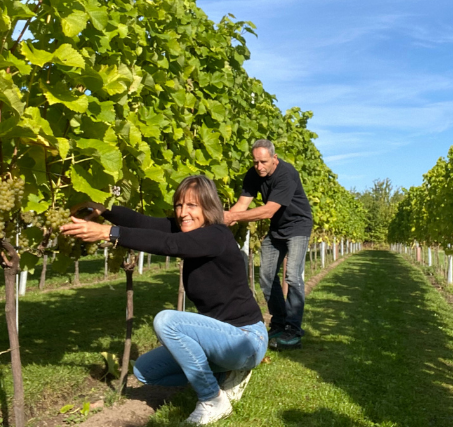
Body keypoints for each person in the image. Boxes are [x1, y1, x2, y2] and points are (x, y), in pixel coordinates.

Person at [61, 175, 267, 426]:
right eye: (179, 205)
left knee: (167, 321)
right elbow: (142, 223)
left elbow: (168, 244)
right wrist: (105, 209)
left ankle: (212, 399)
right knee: (145, 371)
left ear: (208, 206)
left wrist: (109, 233)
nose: (183, 213)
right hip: (219, 340)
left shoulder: (216, 236)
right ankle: (227, 373)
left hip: (245, 339)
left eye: (192, 205)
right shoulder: (189, 230)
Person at [224, 139, 313, 350]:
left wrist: (232, 217)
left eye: (263, 162)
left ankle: (293, 330)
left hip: (298, 227)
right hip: (278, 229)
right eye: (255, 162)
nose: (259, 167)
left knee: (292, 275)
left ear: (274, 158)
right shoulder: (254, 174)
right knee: (265, 275)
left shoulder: (286, 174)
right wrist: (223, 219)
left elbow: (268, 210)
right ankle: (279, 322)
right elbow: (242, 204)